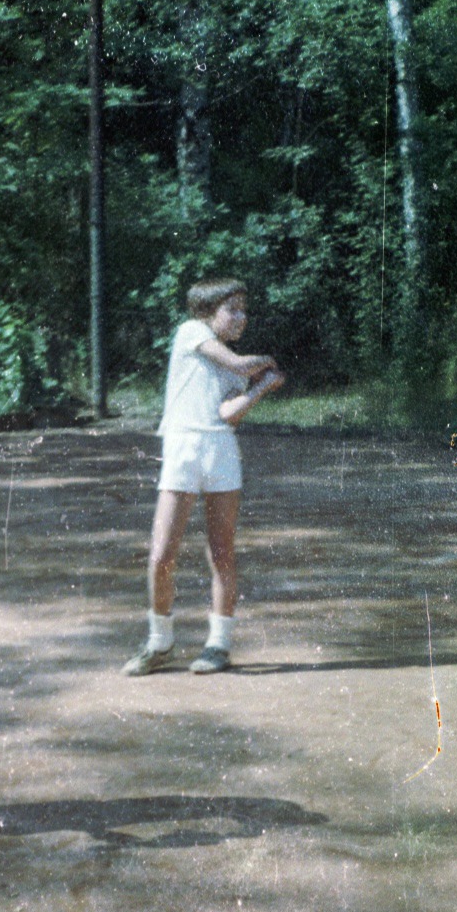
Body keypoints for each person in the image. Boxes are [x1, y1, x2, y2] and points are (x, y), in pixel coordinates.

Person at [123, 278, 284, 676]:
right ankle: (160, 642)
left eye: (244, 310)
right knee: (162, 554)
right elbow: (239, 364)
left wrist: (260, 387)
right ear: (207, 312)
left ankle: (218, 645)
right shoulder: (191, 332)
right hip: (182, 449)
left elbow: (230, 413)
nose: (241, 318)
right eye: (233, 309)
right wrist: (265, 364)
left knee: (222, 554)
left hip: (221, 453)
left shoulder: (236, 364)